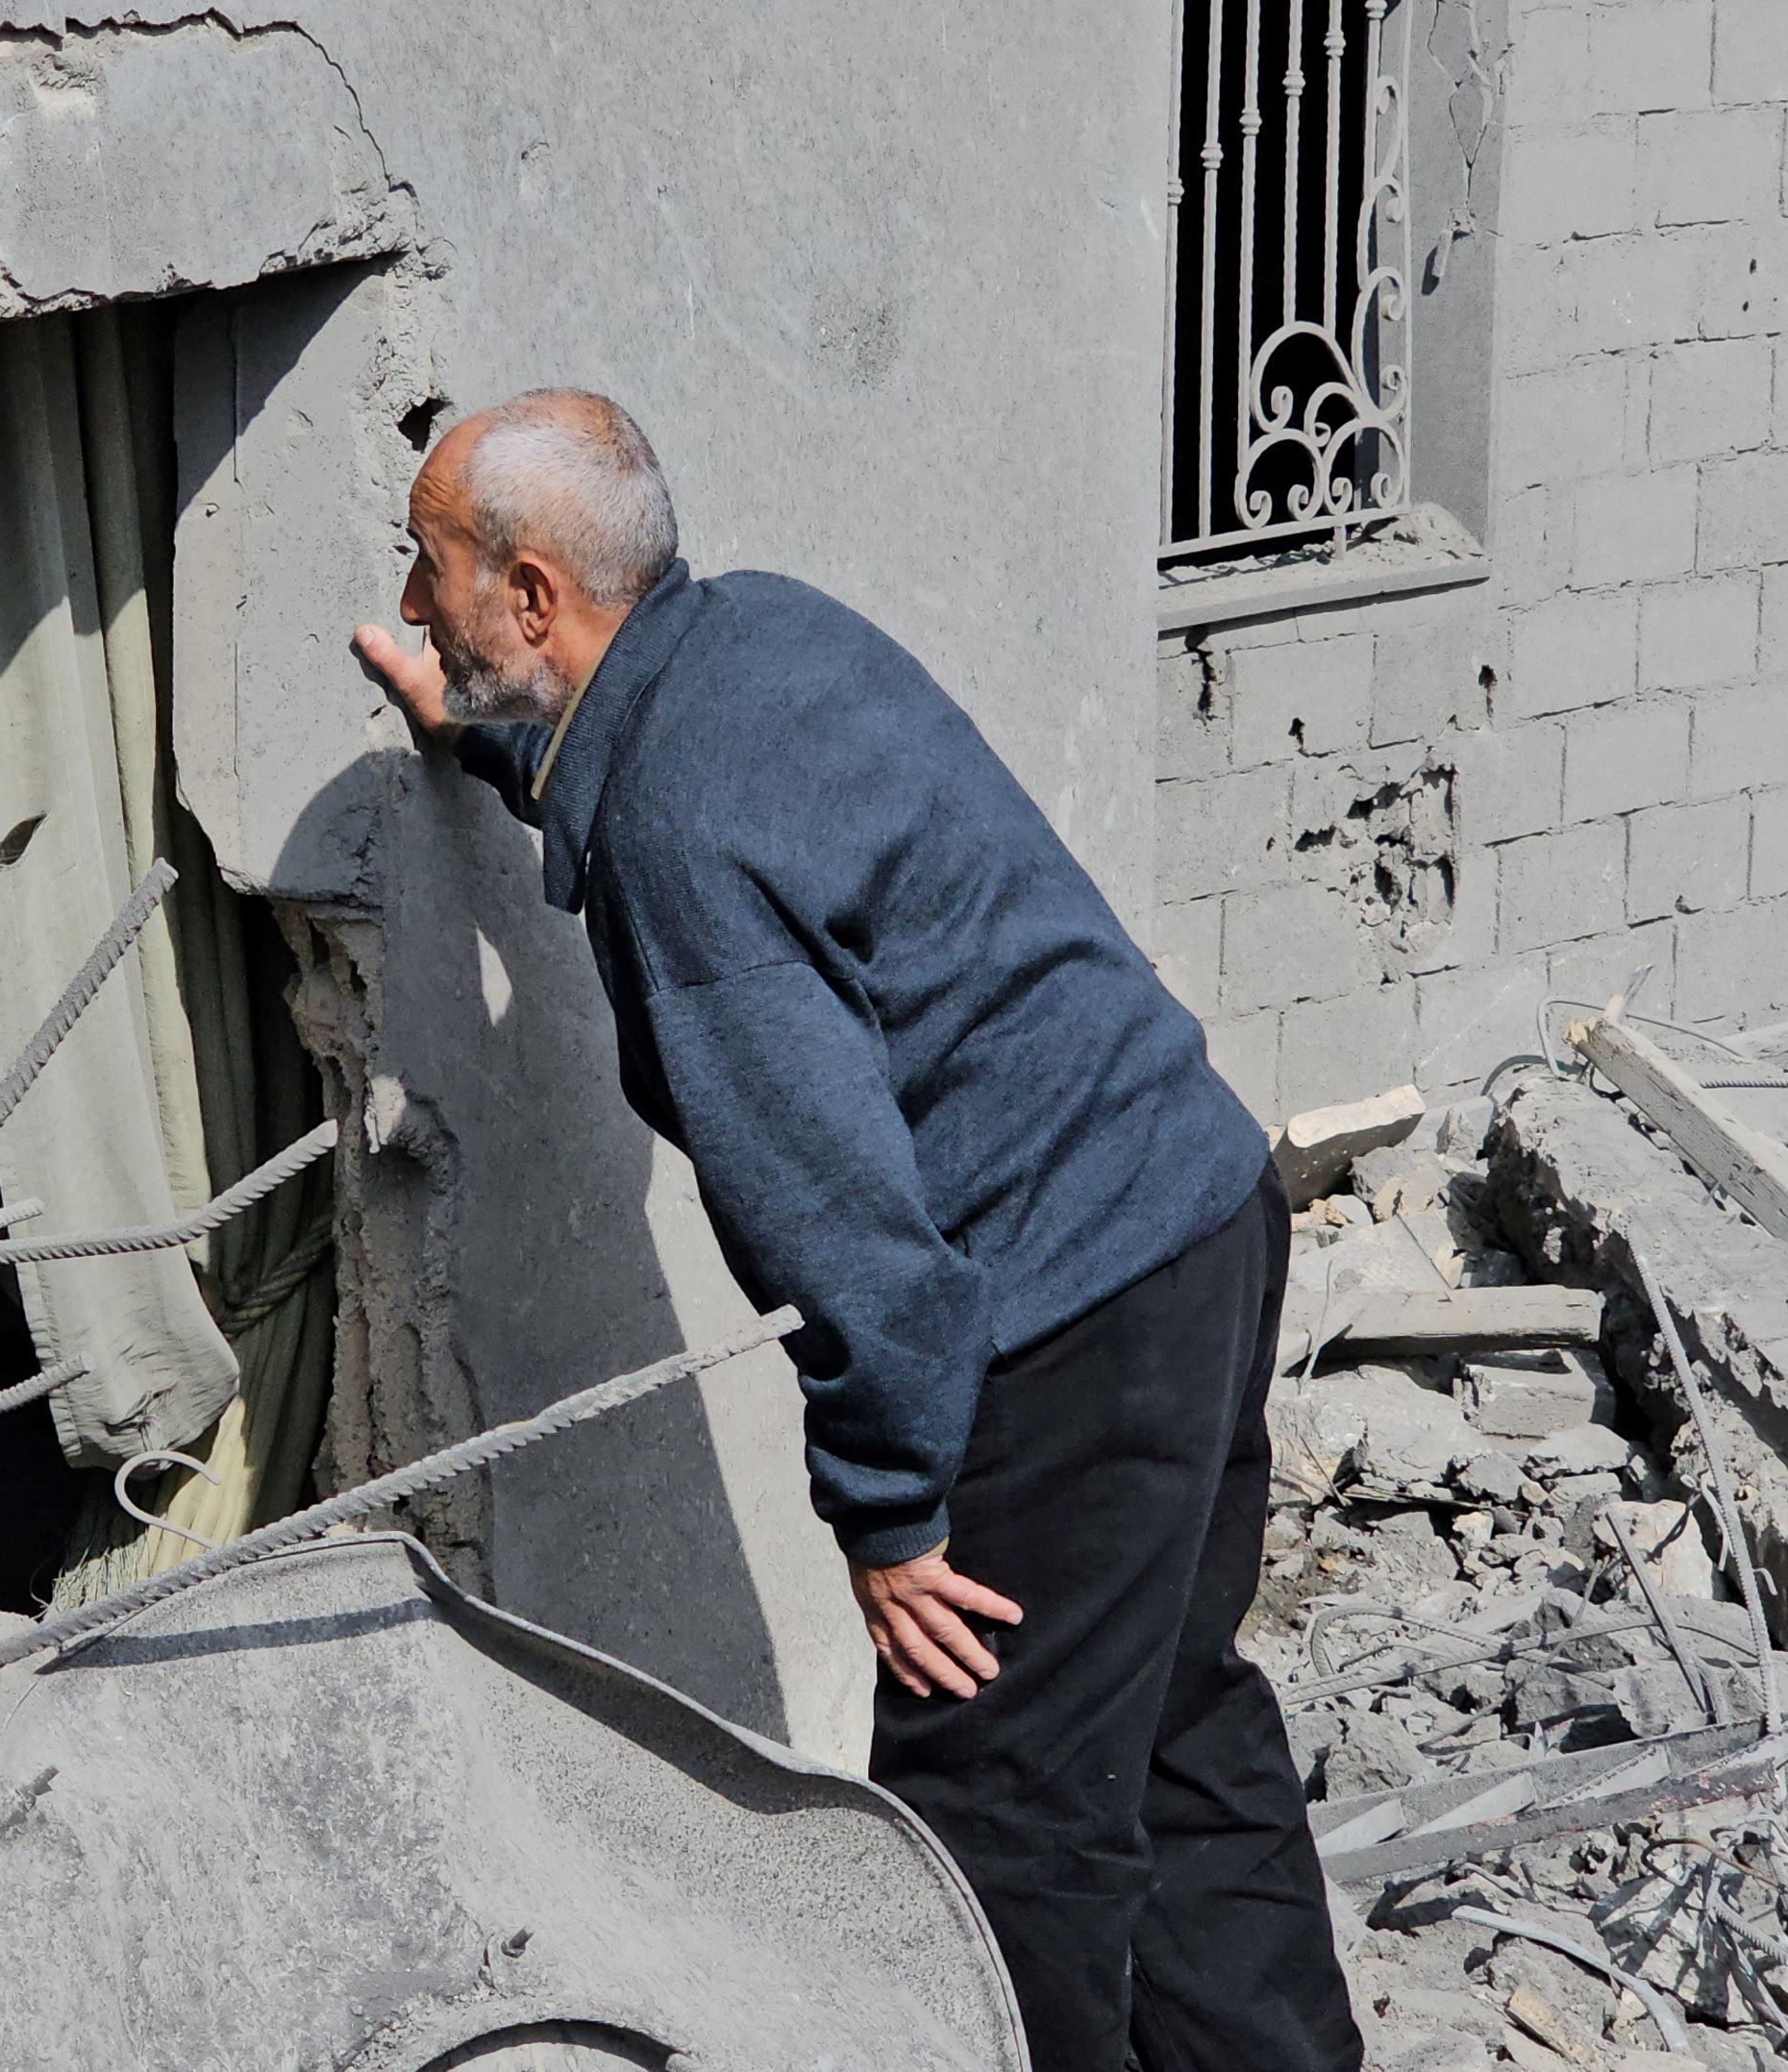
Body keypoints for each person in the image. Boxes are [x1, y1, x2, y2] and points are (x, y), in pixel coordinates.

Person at [348, 389, 1360, 2070]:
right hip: (1192, 1210)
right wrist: (478, 736)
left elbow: (844, 1229)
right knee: (1172, 1731)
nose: (408, 607)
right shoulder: (756, 638)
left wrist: (888, 1515)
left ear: (533, 596)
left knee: (997, 1831)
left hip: (1056, 1325)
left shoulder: (677, 830)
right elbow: (655, 775)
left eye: (431, 569)